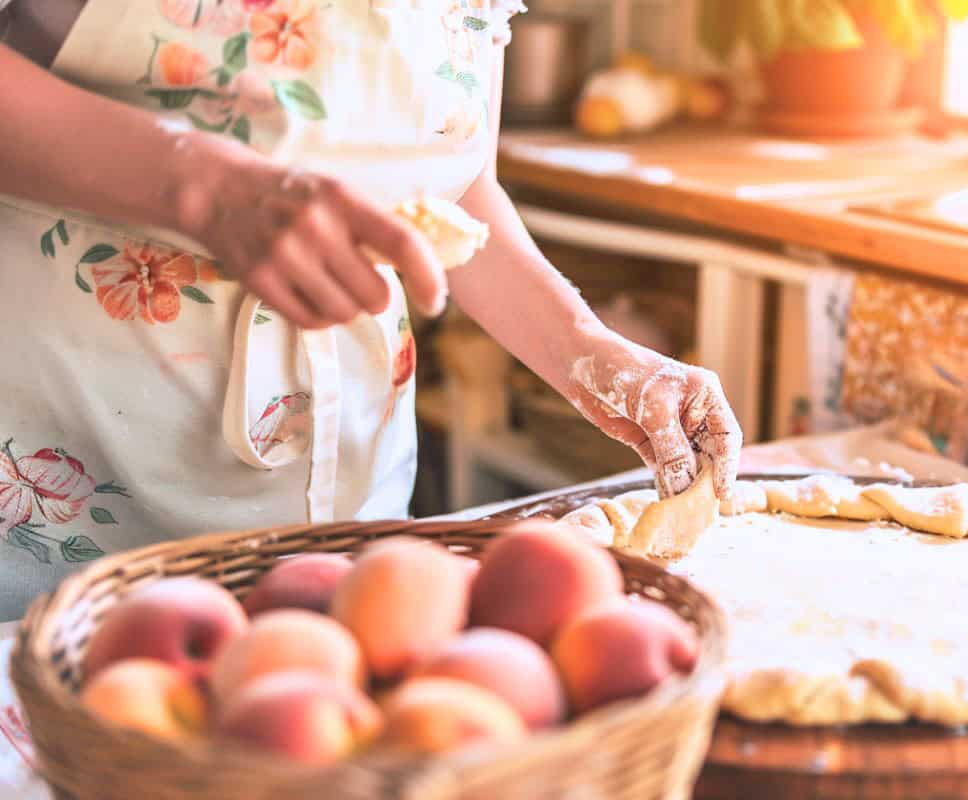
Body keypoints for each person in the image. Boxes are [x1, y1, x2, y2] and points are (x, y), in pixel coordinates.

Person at [0, 0, 742, 619]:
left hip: (357, 508)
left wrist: (590, 349)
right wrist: (207, 189)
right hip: (77, 497)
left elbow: (449, 181)